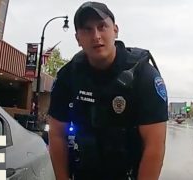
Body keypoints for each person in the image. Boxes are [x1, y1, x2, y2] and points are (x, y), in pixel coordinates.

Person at [48, 1, 168, 180]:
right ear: (78, 38)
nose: (96, 36)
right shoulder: (68, 76)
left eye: (102, 26)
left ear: (115, 30)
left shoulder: (144, 76)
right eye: (87, 29)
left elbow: (155, 145)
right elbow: (57, 134)